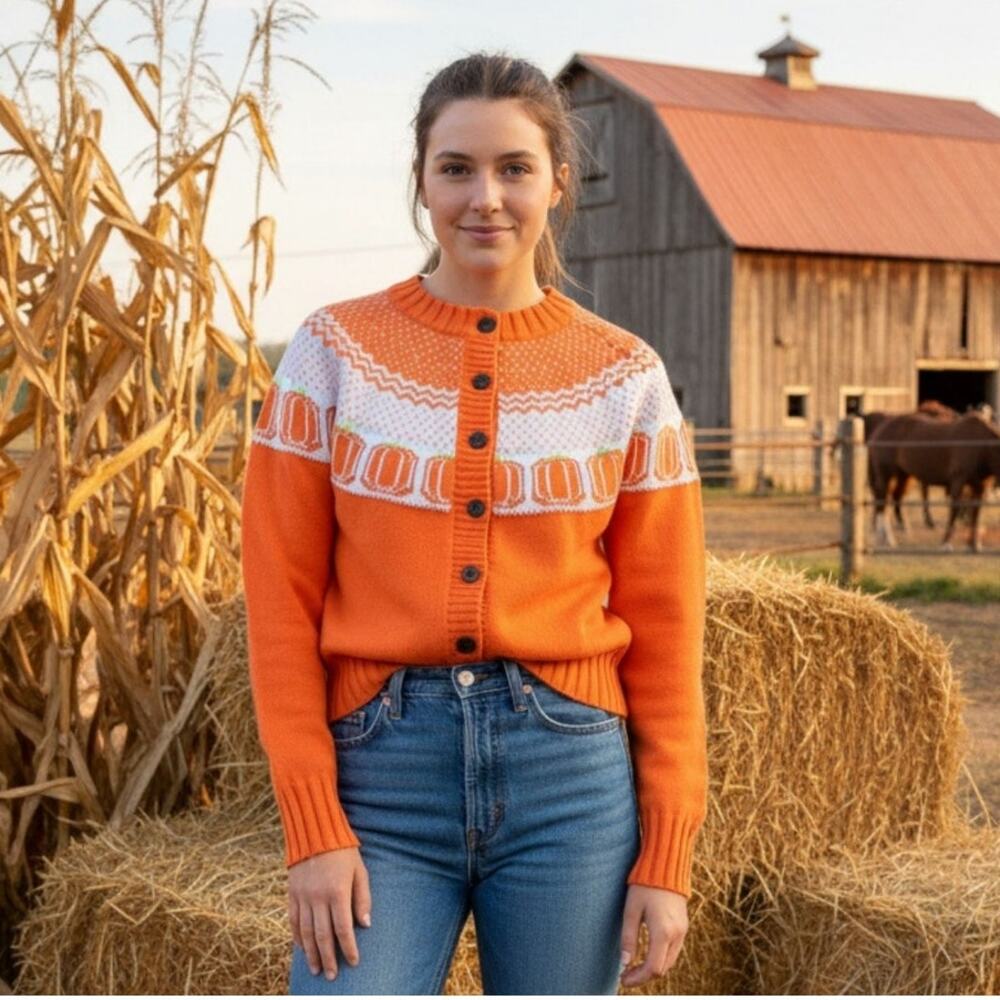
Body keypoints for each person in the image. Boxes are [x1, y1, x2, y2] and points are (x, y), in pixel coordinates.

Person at [240, 49, 708, 996]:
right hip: (382, 777)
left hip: (569, 782)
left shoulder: (626, 376)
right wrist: (313, 829)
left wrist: (666, 856)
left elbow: (667, 630)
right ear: (421, 180)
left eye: (514, 168)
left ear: (557, 183)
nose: (484, 198)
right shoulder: (333, 353)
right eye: (456, 168)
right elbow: (279, 601)